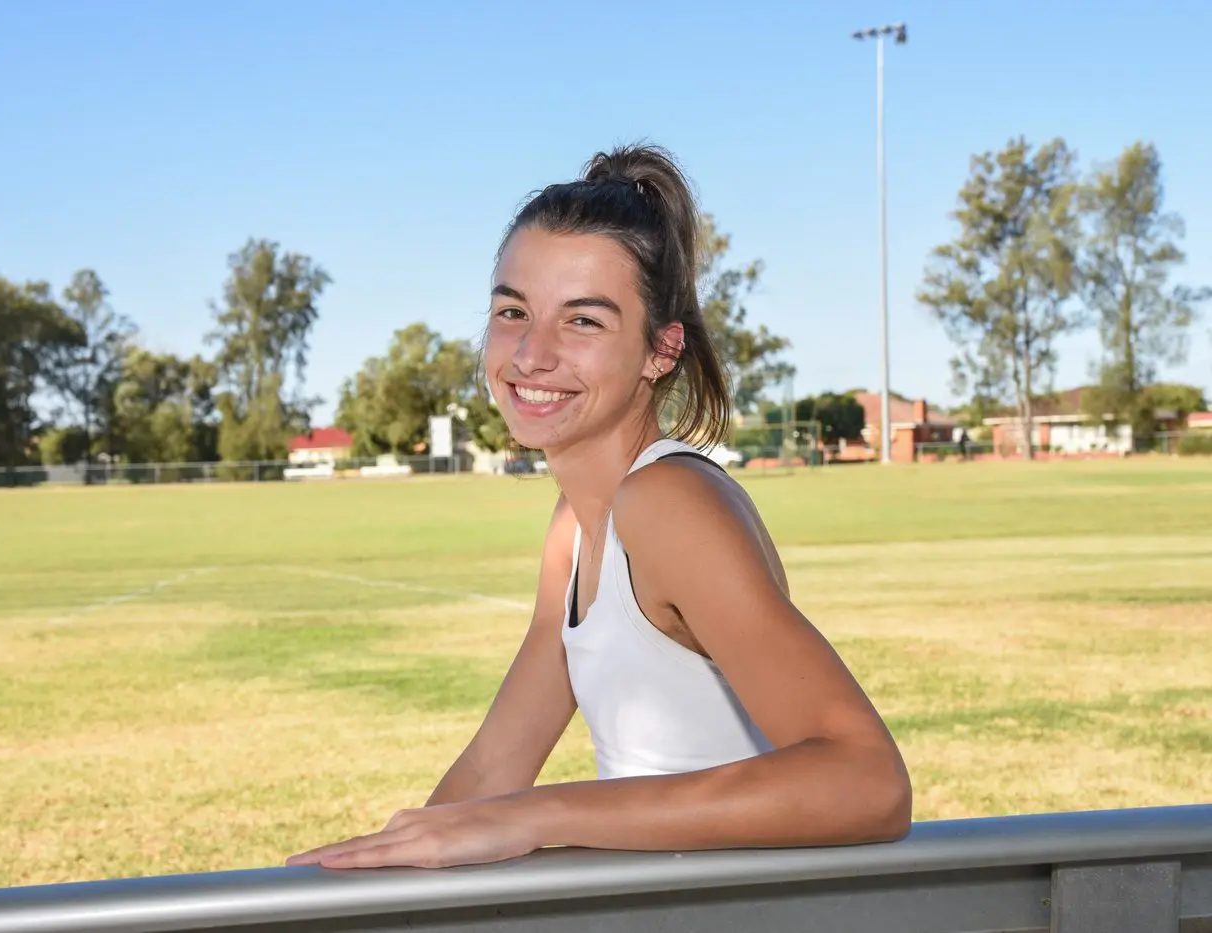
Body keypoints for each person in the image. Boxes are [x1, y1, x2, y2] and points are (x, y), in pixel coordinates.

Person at [286, 143, 911, 871]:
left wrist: (536, 816)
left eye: (583, 321)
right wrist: (352, 884)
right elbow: (494, 767)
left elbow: (867, 779)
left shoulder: (667, 500)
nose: (531, 354)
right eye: (513, 310)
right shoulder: (575, 530)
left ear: (660, 350)